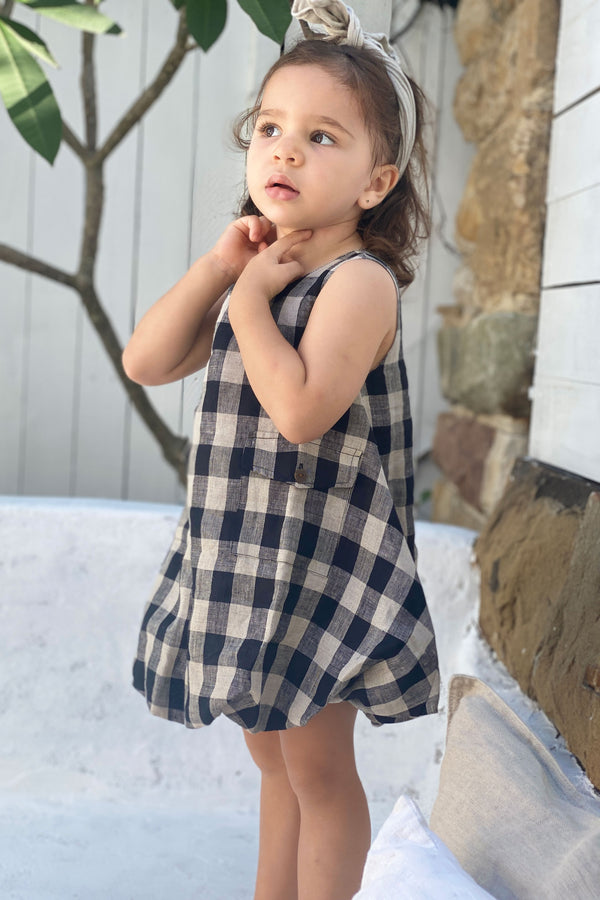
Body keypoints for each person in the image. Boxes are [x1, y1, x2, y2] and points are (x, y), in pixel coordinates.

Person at [124, 1, 440, 898]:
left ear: (375, 183)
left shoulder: (358, 282)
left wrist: (252, 303)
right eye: (270, 128)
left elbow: (301, 411)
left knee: (317, 769)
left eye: (321, 137)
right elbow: (148, 361)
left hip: (322, 563)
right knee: (272, 760)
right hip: (246, 552)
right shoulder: (258, 271)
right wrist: (221, 271)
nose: (286, 151)